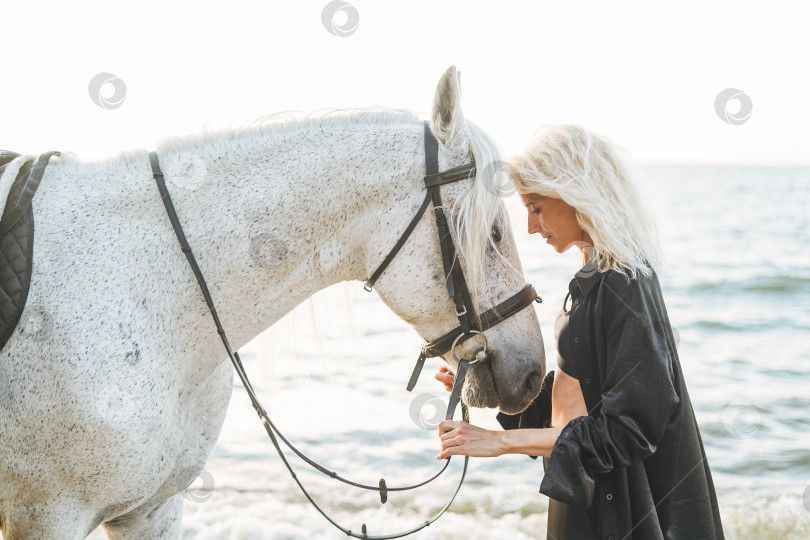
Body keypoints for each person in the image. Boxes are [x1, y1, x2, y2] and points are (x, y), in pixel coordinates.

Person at [435, 124, 725, 539]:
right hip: (585, 495)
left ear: (575, 194)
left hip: (620, 513)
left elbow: (631, 427)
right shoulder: (596, 277)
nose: (532, 228)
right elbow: (577, 406)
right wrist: (494, 390)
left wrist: (499, 444)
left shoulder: (625, 281)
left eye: (536, 208)